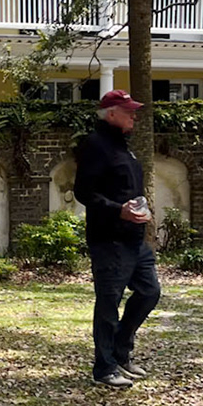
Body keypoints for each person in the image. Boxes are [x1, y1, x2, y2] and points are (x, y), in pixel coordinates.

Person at [72, 89, 161, 388]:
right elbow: (84, 192)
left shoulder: (125, 147)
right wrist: (117, 211)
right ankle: (104, 368)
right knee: (108, 304)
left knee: (150, 292)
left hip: (135, 239)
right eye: (128, 111)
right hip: (108, 239)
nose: (134, 115)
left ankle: (121, 352)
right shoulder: (95, 145)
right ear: (111, 114)